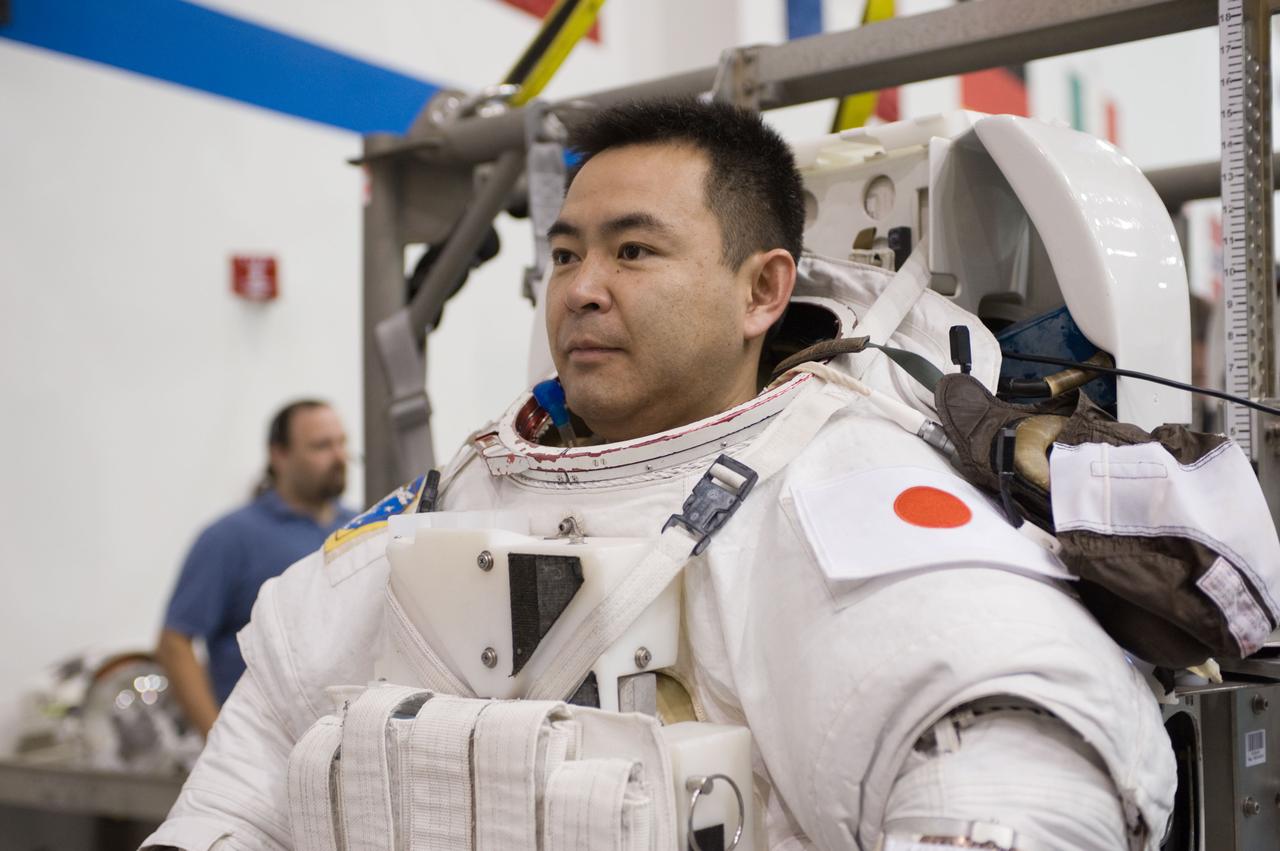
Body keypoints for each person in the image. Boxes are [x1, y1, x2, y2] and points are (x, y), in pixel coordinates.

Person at [144, 100, 1179, 850]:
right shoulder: (459, 496)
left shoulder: (839, 492)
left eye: (633, 252)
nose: (581, 290)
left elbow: (1022, 772)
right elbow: (253, 765)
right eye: (562, 255)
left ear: (761, 290)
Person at [155, 400, 355, 737]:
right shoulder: (231, 538)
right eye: (321, 446)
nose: (339, 457)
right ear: (279, 455)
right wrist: (217, 738)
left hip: (341, 742)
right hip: (262, 746)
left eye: (342, 443)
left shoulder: (359, 528)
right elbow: (174, 644)